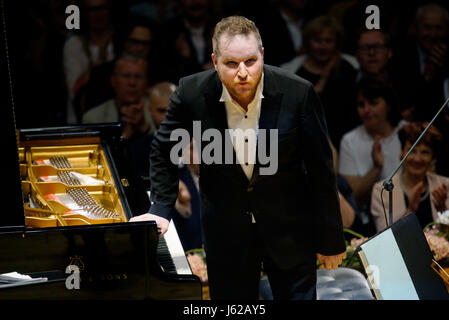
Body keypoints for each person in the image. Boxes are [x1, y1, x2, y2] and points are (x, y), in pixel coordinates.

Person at [130, 15, 346, 300]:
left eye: (250, 62)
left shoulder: (298, 92)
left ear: (262, 55)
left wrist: (330, 238)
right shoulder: (192, 92)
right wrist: (160, 207)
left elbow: (321, 168)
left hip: (289, 227)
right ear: (215, 61)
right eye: (231, 64)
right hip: (226, 230)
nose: (242, 72)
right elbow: (163, 148)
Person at [281, 15, 359, 149]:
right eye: (317, 41)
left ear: (337, 43)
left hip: (349, 141)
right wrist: (325, 76)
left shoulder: (352, 67)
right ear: (308, 42)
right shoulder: (292, 71)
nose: (323, 46)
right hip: (309, 143)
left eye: (328, 41)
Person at [338, 78, 405, 236]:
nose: (366, 110)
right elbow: (352, 196)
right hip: (366, 219)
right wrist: (376, 168)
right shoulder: (350, 140)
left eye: (373, 103)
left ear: (388, 105)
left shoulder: (407, 131)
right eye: (361, 105)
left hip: (406, 209)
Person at [371, 121, 449, 232]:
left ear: (432, 157)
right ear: (402, 153)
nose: (417, 159)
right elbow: (385, 238)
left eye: (425, 152)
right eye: (412, 151)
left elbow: (446, 236)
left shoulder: (445, 185)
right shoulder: (382, 190)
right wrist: (410, 210)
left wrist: (443, 211)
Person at [81, 53, 156, 140]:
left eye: (138, 77)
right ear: (113, 80)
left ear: (146, 82)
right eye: (126, 76)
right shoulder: (93, 118)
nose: (132, 83)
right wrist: (124, 136)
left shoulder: (160, 110)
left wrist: (144, 127)